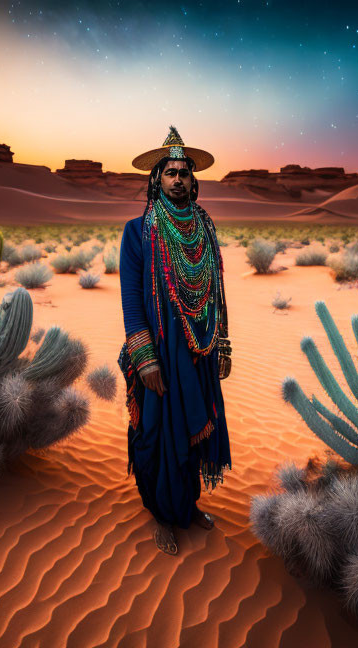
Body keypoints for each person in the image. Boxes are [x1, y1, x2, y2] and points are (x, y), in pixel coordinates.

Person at [117, 126, 232, 555]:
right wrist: (144, 357)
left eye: (184, 172)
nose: (178, 179)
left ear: (193, 180)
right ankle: (162, 515)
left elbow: (216, 286)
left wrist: (222, 340)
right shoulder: (137, 229)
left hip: (198, 348)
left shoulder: (204, 226)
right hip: (160, 352)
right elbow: (131, 296)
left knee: (194, 430)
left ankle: (187, 506)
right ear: (156, 180)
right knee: (158, 430)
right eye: (170, 173)